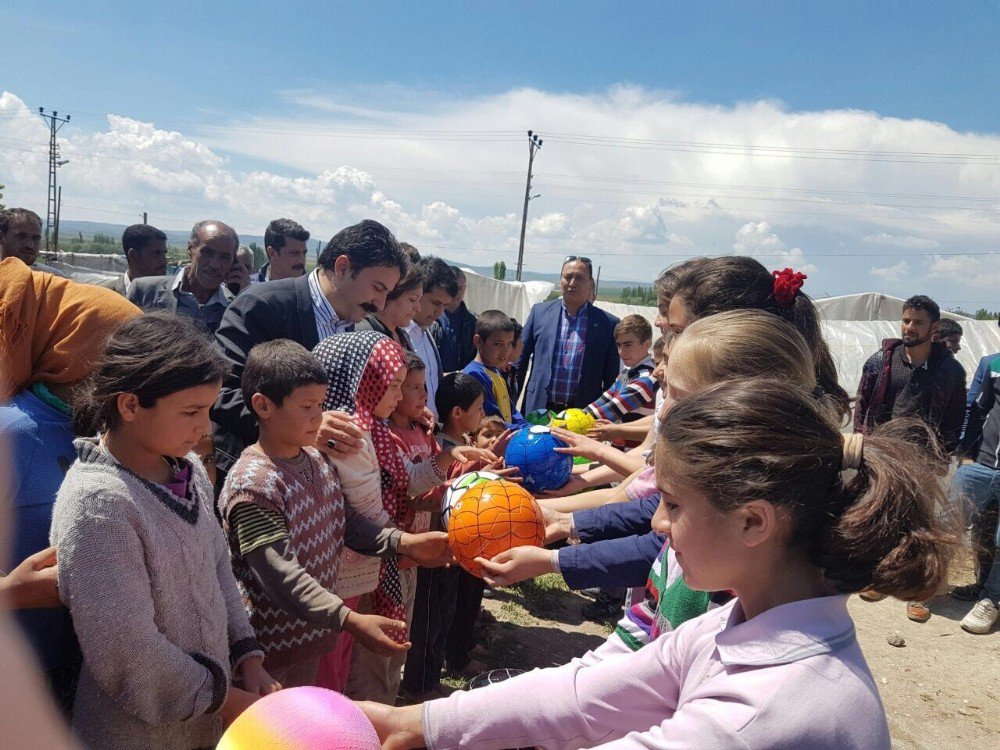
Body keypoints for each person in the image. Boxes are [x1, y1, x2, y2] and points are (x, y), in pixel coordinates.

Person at [360, 379, 956, 750]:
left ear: (753, 522)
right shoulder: (733, 626)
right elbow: (585, 693)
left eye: (672, 504)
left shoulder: (767, 712)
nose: (657, 524)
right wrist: (414, 723)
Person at [48, 313, 279, 749]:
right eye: (191, 412)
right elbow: (127, 652)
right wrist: (229, 701)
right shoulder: (101, 504)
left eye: (209, 410)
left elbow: (217, 569)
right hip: (134, 733)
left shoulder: (188, 469)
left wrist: (248, 656)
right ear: (131, 405)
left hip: (200, 719)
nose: (205, 427)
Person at [218, 340, 451, 688]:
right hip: (268, 658)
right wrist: (349, 619)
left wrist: (406, 543)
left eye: (321, 404)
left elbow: (347, 523)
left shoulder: (316, 460)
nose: (319, 417)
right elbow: (281, 575)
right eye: (306, 406)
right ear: (263, 406)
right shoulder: (254, 484)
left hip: (314, 638)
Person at [311, 331, 492, 704]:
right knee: (345, 670)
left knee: (360, 661)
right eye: (392, 385)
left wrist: (444, 467)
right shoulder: (348, 436)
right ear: (362, 380)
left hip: (373, 564)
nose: (397, 397)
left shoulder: (370, 430)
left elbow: (403, 487)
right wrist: (411, 541)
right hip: (347, 574)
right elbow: (372, 511)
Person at [0, 259, 141, 713]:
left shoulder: (112, 435)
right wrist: (11, 593)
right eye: (125, 368)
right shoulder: (12, 433)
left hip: (81, 671)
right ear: (77, 359)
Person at [212, 219, 410, 475]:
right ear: (342, 267)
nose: (380, 304)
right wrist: (306, 428)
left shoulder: (364, 331)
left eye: (387, 294)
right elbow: (222, 394)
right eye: (377, 288)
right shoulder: (261, 307)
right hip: (263, 482)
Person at [402, 372, 490, 700]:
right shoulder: (441, 448)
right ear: (457, 413)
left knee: (442, 615)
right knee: (426, 621)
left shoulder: (448, 443)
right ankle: (417, 686)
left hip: (446, 546)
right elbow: (431, 493)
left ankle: (430, 678)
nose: (422, 395)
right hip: (428, 545)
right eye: (411, 387)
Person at [854, 295, 966, 452]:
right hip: (880, 456)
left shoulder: (949, 370)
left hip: (923, 462)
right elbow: (861, 406)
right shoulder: (880, 362)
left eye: (918, 322)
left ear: (934, 327)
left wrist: (943, 457)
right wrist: (860, 447)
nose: (909, 327)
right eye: (906, 321)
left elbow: (954, 420)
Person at [517, 256, 620, 414]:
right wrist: (510, 407)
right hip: (538, 410)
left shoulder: (608, 324)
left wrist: (606, 416)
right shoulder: (539, 313)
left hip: (582, 413)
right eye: (568, 277)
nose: (572, 283)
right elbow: (519, 361)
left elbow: (611, 377)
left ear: (590, 284)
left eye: (579, 278)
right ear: (560, 281)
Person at [952, 348, 1000, 633]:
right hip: (981, 464)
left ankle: (991, 600)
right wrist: (966, 455)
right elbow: (977, 409)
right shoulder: (994, 363)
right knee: (951, 523)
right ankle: (925, 584)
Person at [127, 219, 239, 334]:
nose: (215, 265)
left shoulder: (235, 309)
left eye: (225, 257)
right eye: (207, 253)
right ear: (191, 249)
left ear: (233, 262)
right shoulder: (144, 292)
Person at [406, 257, 458, 421]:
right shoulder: (398, 335)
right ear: (419, 292)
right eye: (435, 302)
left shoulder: (428, 334)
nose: (439, 312)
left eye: (445, 306)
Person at [584, 314, 657, 424]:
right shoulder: (627, 371)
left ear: (647, 344)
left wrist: (573, 420)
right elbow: (604, 400)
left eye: (628, 345)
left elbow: (610, 410)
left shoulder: (648, 378)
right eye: (618, 345)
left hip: (636, 441)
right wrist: (579, 414)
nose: (621, 352)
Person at [462, 310, 526, 426]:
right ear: (478, 341)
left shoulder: (496, 371)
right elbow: (494, 421)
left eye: (509, 343)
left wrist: (527, 427)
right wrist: (520, 432)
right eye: (498, 344)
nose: (506, 351)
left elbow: (512, 412)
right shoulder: (474, 375)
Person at [356, 256, 425, 351]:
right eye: (412, 299)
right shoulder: (364, 335)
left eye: (419, 300)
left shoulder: (403, 337)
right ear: (390, 295)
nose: (418, 308)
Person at [97, 223, 168, 295]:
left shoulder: (170, 296)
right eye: (156, 254)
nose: (164, 261)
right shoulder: (105, 295)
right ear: (133, 255)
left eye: (164, 254)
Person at [434, 266, 477, 372]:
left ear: (465, 288)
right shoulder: (431, 319)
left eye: (460, 288)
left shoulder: (474, 322)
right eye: (453, 288)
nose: (457, 293)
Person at [254, 218, 310, 283]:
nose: (301, 260)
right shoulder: (249, 287)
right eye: (294, 253)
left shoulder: (311, 290)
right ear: (272, 253)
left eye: (304, 253)